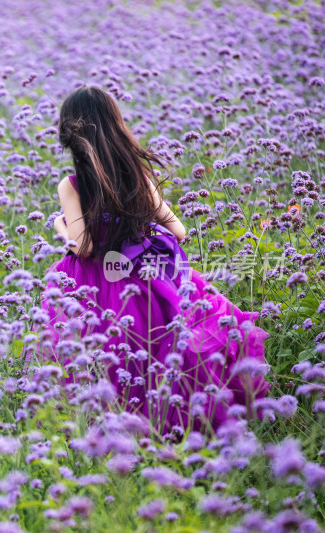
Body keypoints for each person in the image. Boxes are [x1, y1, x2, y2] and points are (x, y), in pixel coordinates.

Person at [37, 85, 270, 436]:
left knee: (110, 361)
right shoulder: (138, 174)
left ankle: (118, 434)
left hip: (98, 287)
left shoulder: (72, 184)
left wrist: (59, 223)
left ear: (71, 133)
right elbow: (178, 232)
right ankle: (174, 429)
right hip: (150, 283)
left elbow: (82, 246)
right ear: (116, 125)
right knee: (161, 355)